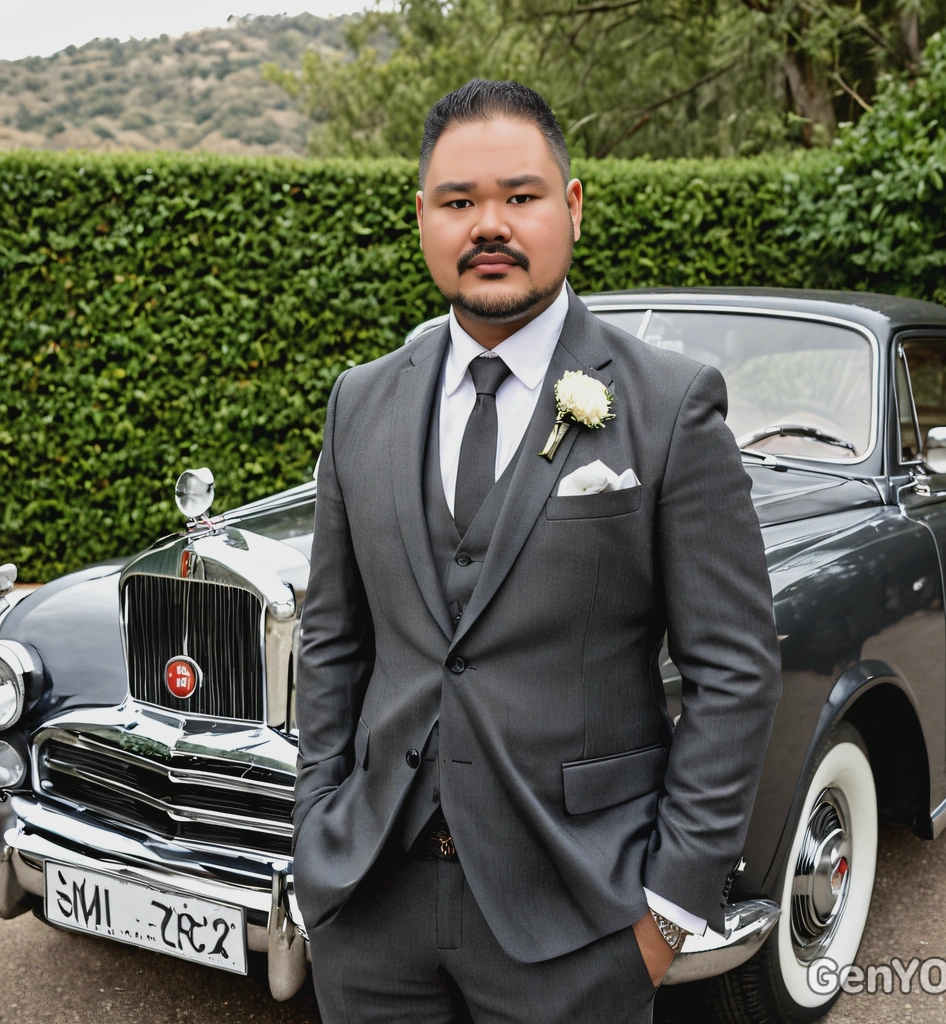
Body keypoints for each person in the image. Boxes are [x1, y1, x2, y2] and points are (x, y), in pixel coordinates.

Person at [293, 78, 782, 1024]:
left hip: (582, 921)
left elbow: (735, 671)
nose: (490, 225)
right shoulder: (360, 401)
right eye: (458, 202)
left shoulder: (671, 405)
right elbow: (333, 638)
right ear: (423, 219)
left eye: (519, 197)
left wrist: (669, 915)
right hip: (370, 908)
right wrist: (318, 820)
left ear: (572, 206)